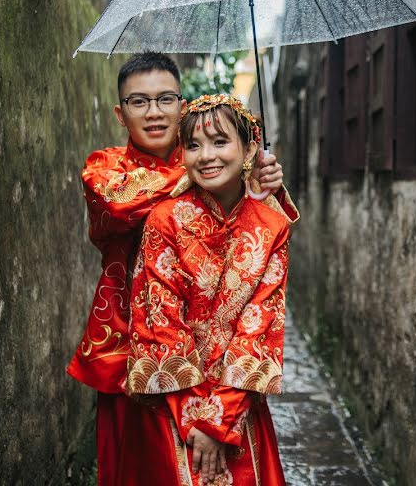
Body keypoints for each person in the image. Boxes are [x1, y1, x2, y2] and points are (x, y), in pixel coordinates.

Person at [65, 54, 297, 486]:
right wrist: (224, 167)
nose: (154, 112)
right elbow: (120, 202)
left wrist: (254, 178)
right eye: (139, 102)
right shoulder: (108, 167)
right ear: (121, 112)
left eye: (165, 99)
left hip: (222, 363)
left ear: (182, 104)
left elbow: (260, 307)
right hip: (132, 343)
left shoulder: (203, 155)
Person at [122, 94, 292, 485]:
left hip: (238, 402)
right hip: (173, 403)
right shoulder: (164, 221)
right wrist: (197, 419)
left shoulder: (271, 227)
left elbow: (259, 326)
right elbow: (160, 324)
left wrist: (220, 419)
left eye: (220, 142)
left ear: (250, 148)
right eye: (194, 145)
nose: (206, 156)